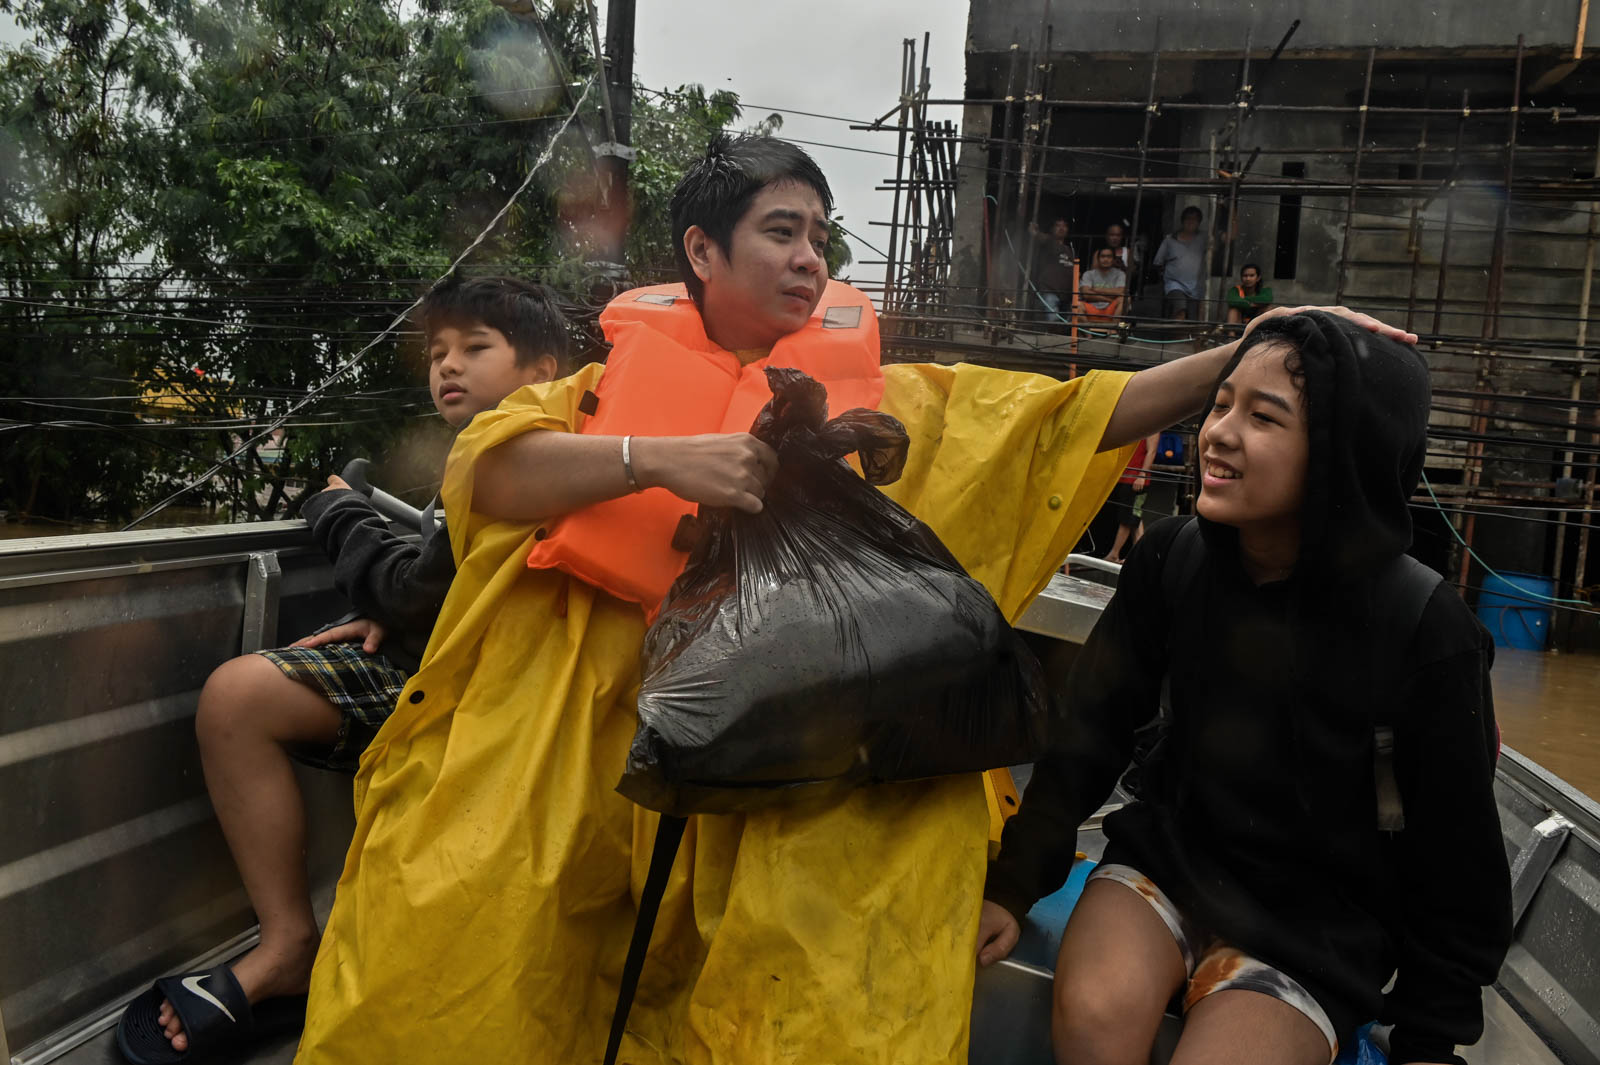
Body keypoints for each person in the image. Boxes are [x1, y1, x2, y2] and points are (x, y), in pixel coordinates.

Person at [294, 135, 1418, 1065]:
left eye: (821, 239)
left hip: (777, 755)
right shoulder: (590, 398)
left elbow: (1084, 415)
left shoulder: (891, 413)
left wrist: (1266, 339)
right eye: (780, 231)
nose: (807, 258)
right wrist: (661, 458)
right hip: (581, 743)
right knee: (472, 950)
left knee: (809, 974)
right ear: (701, 249)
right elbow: (490, 473)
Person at [976, 311, 1512, 1065]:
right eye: (1220, 404)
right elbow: (1089, 730)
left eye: (1264, 417)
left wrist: (1429, 1038)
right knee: (1096, 1016)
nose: (1219, 433)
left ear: (1338, 453)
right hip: (1168, 866)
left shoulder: (1424, 626)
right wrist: (1015, 882)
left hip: (1320, 924)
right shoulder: (1174, 559)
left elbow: (1457, 855)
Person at [113, 276, 570, 1064]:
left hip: (483, 705)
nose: (446, 367)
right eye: (437, 353)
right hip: (452, 671)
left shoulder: (521, 456)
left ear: (541, 370)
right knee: (249, 692)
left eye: (474, 348)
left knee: (237, 697)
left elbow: (405, 585)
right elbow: (435, 584)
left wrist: (336, 510)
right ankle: (293, 945)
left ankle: (293, 945)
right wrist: (398, 609)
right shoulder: (501, 449)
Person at [1104, 431, 1158, 564]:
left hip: (1136, 480)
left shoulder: (1153, 427)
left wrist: (1142, 475)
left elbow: (1152, 452)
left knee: (1128, 518)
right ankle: (1139, 555)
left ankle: (1114, 554)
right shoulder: (1140, 424)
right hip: (1125, 477)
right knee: (1135, 517)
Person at [1153, 205, 1208, 323]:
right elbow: (1158, 262)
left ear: (1199, 222)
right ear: (1182, 221)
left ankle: (1187, 340)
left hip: (1196, 286)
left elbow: (1222, 242)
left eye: (1194, 219)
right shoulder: (1169, 240)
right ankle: (1177, 341)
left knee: (1192, 318)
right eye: (1188, 219)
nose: (1190, 222)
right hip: (1175, 284)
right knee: (1180, 310)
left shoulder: (1203, 238)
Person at [1028, 216, 1078, 323]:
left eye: (1064, 226)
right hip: (1050, 291)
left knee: (1066, 325)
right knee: (1054, 322)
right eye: (1058, 225)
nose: (1061, 228)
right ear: (1052, 229)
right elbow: (1040, 237)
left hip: (1067, 294)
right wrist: (1035, 232)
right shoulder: (1049, 242)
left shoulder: (1070, 250)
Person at [1080, 246, 1128, 324]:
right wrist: (1109, 299)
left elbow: (1120, 291)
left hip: (1111, 310)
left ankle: (1113, 331)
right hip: (1092, 309)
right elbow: (1086, 294)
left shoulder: (1120, 274)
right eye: (1103, 256)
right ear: (1098, 259)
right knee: (1077, 305)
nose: (1106, 259)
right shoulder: (1088, 274)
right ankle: (1088, 335)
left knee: (1125, 299)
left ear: (1113, 259)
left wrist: (1096, 289)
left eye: (1109, 257)